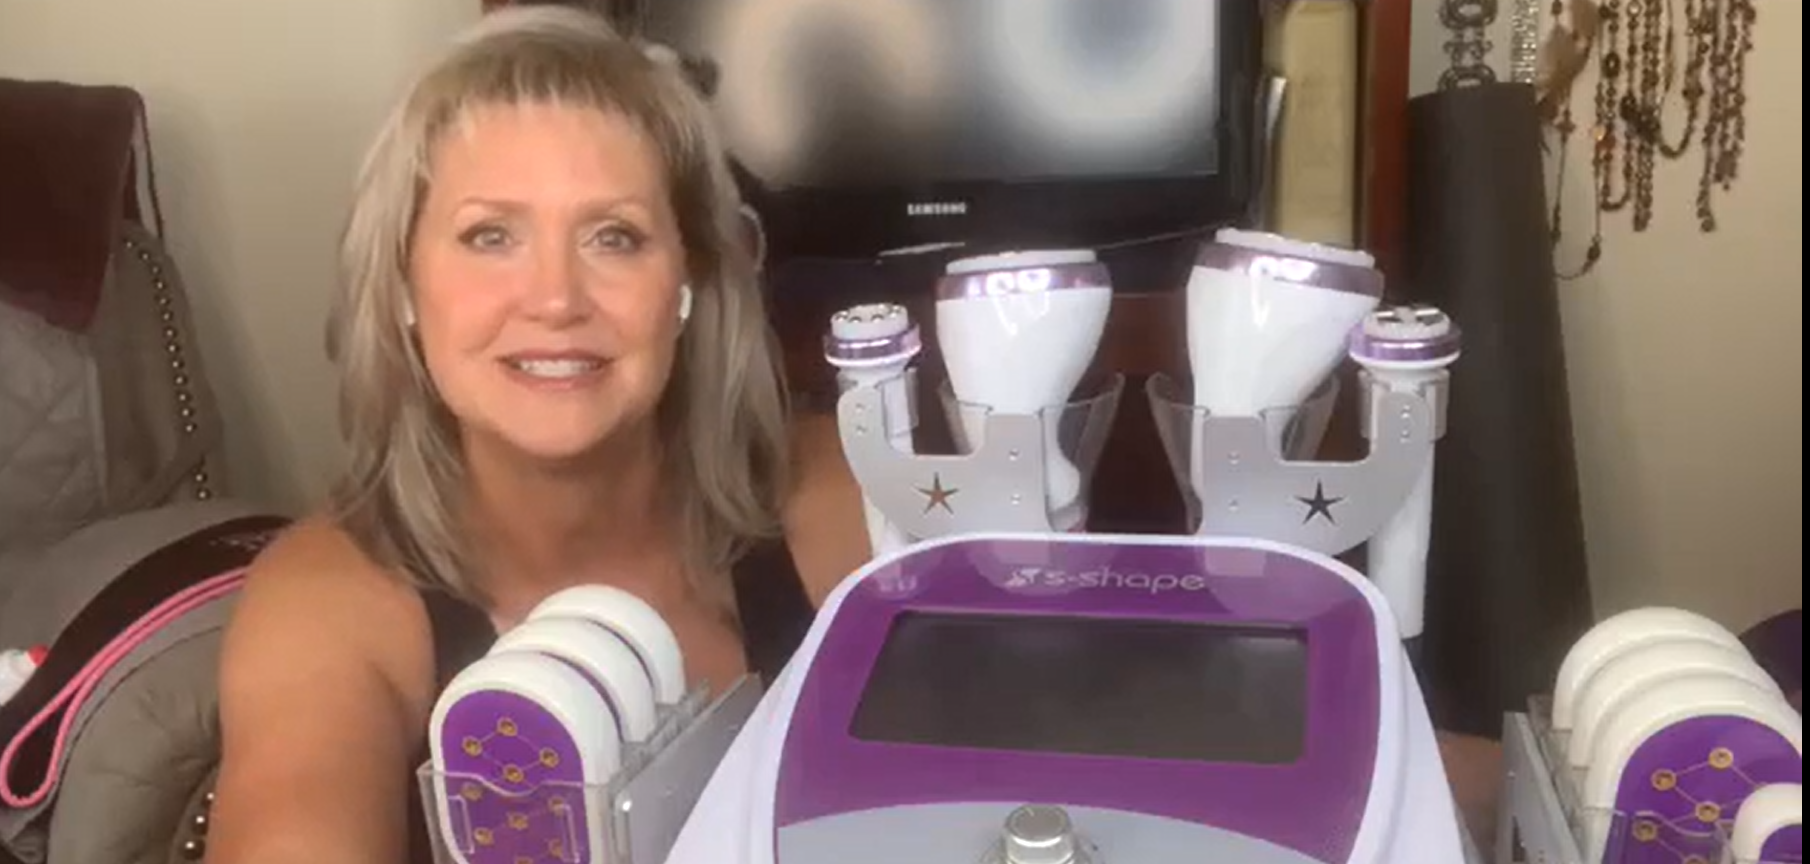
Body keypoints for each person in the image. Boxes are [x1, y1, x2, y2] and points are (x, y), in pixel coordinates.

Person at [205, 8, 869, 863]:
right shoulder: (328, 606)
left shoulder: (844, 500)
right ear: (403, 288)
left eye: (614, 237)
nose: (556, 299)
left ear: (689, 285)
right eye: (490, 236)